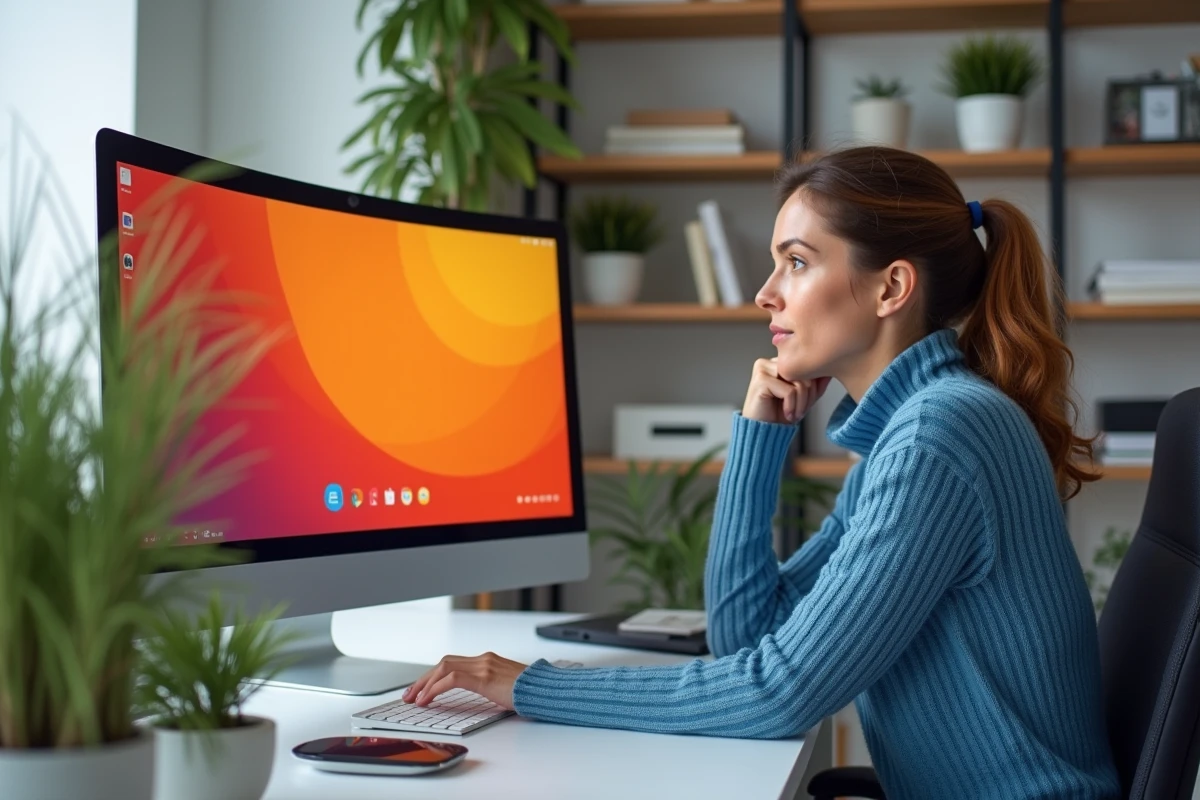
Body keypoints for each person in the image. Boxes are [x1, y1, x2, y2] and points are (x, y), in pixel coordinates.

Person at [403, 146, 1121, 798]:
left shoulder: (938, 435)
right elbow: (747, 637)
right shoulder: (911, 433)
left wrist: (531, 686)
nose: (766, 293)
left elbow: (777, 695)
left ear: (890, 288)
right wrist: (759, 437)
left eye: (797, 262)